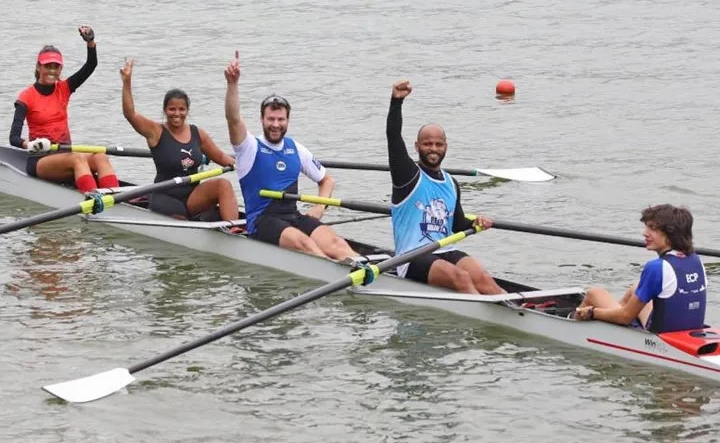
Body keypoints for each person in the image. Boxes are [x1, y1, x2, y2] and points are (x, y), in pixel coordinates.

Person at [223, 54, 357, 259]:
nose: (275, 124)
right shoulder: (249, 147)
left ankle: (367, 274)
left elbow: (327, 180)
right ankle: (336, 274)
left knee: (338, 244)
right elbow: (233, 119)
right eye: (271, 119)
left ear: (288, 120)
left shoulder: (296, 149)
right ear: (261, 120)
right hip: (262, 221)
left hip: (293, 216)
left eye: (280, 119)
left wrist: (320, 207)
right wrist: (233, 84)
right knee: (305, 243)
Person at [386, 80, 504, 295]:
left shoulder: (451, 182)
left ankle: (515, 313)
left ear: (445, 147)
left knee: (484, 278)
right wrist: (396, 102)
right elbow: (393, 138)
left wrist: (476, 221)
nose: (433, 149)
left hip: (445, 249)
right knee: (461, 277)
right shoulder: (407, 175)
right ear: (417, 146)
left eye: (438, 144)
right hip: (412, 256)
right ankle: (484, 319)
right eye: (427, 144)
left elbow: (458, 224)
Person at [120, 58, 239, 221]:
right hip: (164, 196)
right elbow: (130, 114)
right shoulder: (156, 131)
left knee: (223, 185)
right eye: (172, 109)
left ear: (187, 110)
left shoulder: (198, 134)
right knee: (182, 218)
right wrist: (127, 82)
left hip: (192, 196)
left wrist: (246, 164)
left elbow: (221, 158)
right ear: (165, 111)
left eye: (181, 109)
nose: (177, 113)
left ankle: (233, 229)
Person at [9, 26, 119, 192]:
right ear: (38, 67)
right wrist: (30, 144)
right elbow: (13, 138)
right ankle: (94, 201)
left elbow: (91, 65)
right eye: (48, 66)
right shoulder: (26, 97)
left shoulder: (64, 88)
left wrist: (90, 43)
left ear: (60, 69)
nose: (52, 71)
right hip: (41, 159)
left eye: (56, 67)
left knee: (100, 156)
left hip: (65, 152)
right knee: (78, 159)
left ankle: (114, 198)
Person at [574, 204, 706, 333]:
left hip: (658, 338)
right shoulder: (695, 259)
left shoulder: (657, 267)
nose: (645, 233)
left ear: (670, 233)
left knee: (594, 294)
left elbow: (625, 318)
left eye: (652, 228)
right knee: (636, 289)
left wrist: (593, 312)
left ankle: (573, 323)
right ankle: (610, 317)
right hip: (687, 330)